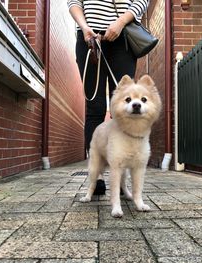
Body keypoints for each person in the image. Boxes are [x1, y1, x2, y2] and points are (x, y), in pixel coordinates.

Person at [67, 0, 149, 194]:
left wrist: (120, 22)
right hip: (89, 39)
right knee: (94, 108)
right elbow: (74, 2)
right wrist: (84, 26)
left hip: (122, 40)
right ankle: (97, 176)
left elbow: (142, 1)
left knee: (121, 110)